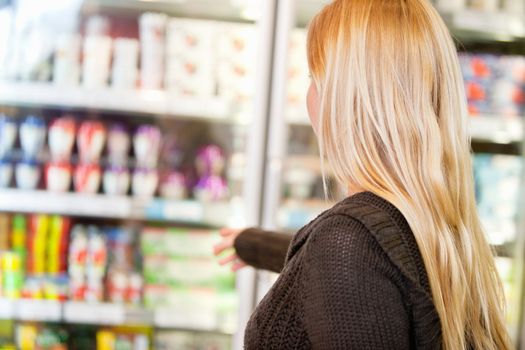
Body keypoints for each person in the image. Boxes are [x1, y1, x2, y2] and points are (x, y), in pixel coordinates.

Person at [213, 0, 512, 349]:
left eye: (315, 79)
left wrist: (329, 243)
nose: (309, 96)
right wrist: (254, 244)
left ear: (347, 98)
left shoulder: (348, 243)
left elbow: (351, 265)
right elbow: (369, 275)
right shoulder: (437, 229)